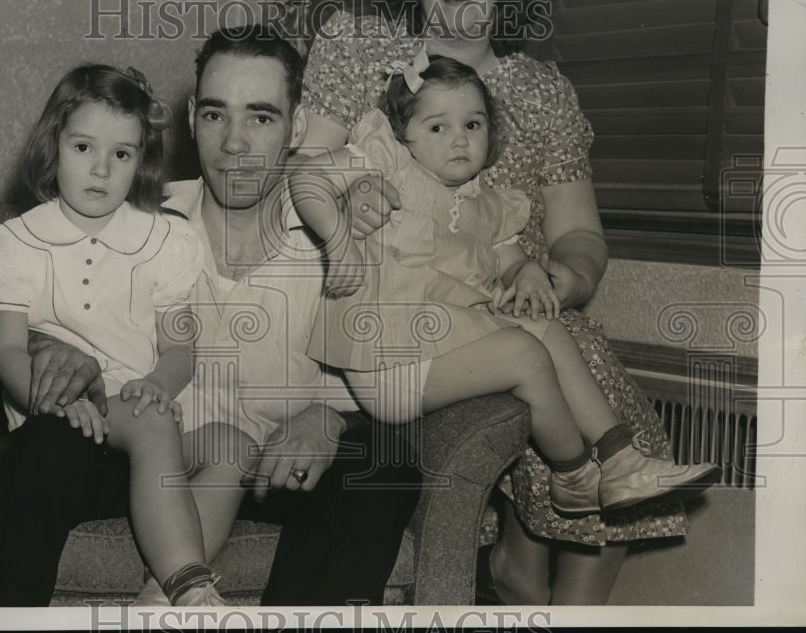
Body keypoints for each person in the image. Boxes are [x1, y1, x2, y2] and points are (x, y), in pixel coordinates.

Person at [296, 0, 705, 604]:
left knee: (593, 373)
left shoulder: (542, 91)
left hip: (511, 285)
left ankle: (563, 582)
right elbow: (311, 173)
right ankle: (521, 559)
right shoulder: (365, 55)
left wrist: (553, 278)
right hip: (398, 298)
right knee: (539, 359)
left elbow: (578, 236)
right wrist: (346, 226)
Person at [0, 27, 421, 607]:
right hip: (142, 460)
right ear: (190, 119)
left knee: (386, 465)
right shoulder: (139, 217)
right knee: (31, 452)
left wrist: (331, 422)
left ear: (298, 125)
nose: (234, 142)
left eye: (260, 118)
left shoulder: (342, 238)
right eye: (215, 115)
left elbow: (409, 381)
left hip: (274, 469)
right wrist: (39, 343)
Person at [290, 51, 719, 518]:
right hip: (385, 360)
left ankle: (622, 460)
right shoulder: (389, 162)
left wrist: (528, 272)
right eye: (438, 127)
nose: (459, 140)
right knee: (523, 353)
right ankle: (574, 476)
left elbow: (510, 259)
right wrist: (339, 244)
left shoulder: (486, 202)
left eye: (472, 125)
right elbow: (305, 177)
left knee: (548, 329)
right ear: (403, 133)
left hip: (437, 341)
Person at [0, 63, 252, 605]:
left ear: (139, 160)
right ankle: (188, 580)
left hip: (147, 426)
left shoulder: (165, 239)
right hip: (67, 425)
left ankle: (158, 596)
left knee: (232, 443)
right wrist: (51, 402)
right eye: (83, 148)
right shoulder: (15, 244)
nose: (101, 169)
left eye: (121, 154)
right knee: (148, 419)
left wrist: (158, 383)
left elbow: (179, 346)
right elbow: (4, 347)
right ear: (53, 146)